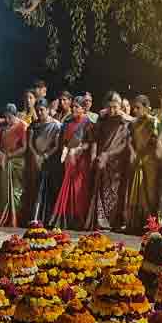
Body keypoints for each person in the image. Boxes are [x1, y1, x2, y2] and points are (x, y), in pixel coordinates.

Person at [85, 92, 131, 231]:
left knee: (116, 192)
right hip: (101, 160)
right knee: (101, 190)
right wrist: (94, 156)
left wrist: (109, 155)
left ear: (120, 106)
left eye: (115, 107)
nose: (112, 110)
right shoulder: (102, 120)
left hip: (117, 162)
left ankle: (115, 221)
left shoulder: (125, 121)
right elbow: (94, 139)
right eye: (109, 107)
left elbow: (125, 144)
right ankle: (101, 221)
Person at [51, 96, 94, 229]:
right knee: (66, 186)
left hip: (81, 160)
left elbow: (90, 143)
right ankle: (65, 219)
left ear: (83, 108)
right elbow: (63, 141)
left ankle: (79, 220)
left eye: (77, 107)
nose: (74, 109)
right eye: (73, 106)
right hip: (68, 158)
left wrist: (78, 150)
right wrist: (66, 152)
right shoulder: (68, 121)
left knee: (78, 188)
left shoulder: (87, 122)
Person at [123, 95, 159, 234]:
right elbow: (130, 141)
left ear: (146, 108)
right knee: (135, 191)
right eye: (134, 108)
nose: (135, 110)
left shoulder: (154, 122)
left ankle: (150, 224)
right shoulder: (134, 123)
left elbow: (155, 141)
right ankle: (135, 224)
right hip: (136, 160)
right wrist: (133, 153)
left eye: (138, 108)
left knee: (149, 191)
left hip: (150, 161)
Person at [23, 99, 62, 224]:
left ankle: (47, 219)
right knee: (35, 187)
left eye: (42, 110)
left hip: (51, 161)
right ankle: (34, 217)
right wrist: (36, 156)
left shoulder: (56, 125)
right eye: (37, 110)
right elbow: (29, 143)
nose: (39, 113)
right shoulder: (33, 125)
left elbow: (56, 145)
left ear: (48, 109)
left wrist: (45, 156)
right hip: (35, 160)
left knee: (49, 188)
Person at [0, 103, 29, 227]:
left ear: (15, 115)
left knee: (16, 191)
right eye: (6, 117)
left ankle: (17, 219)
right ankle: (5, 218)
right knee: (4, 191)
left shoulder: (22, 126)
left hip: (17, 162)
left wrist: (9, 155)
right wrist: (0, 154)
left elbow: (25, 147)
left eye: (10, 117)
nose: (8, 120)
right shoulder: (2, 127)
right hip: (4, 162)